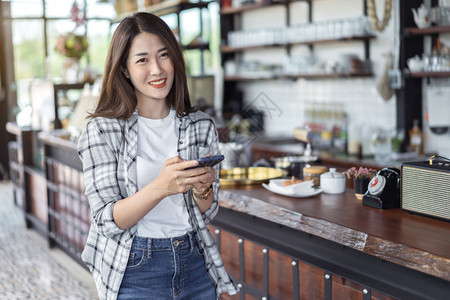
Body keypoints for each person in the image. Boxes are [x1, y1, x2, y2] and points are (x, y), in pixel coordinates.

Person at [77, 12, 239, 300]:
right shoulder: (102, 130)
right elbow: (106, 219)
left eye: (164, 55)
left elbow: (207, 210)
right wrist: (161, 187)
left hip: (195, 262)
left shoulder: (200, 125)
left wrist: (203, 190)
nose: (157, 69)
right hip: (135, 268)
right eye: (142, 60)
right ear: (124, 69)